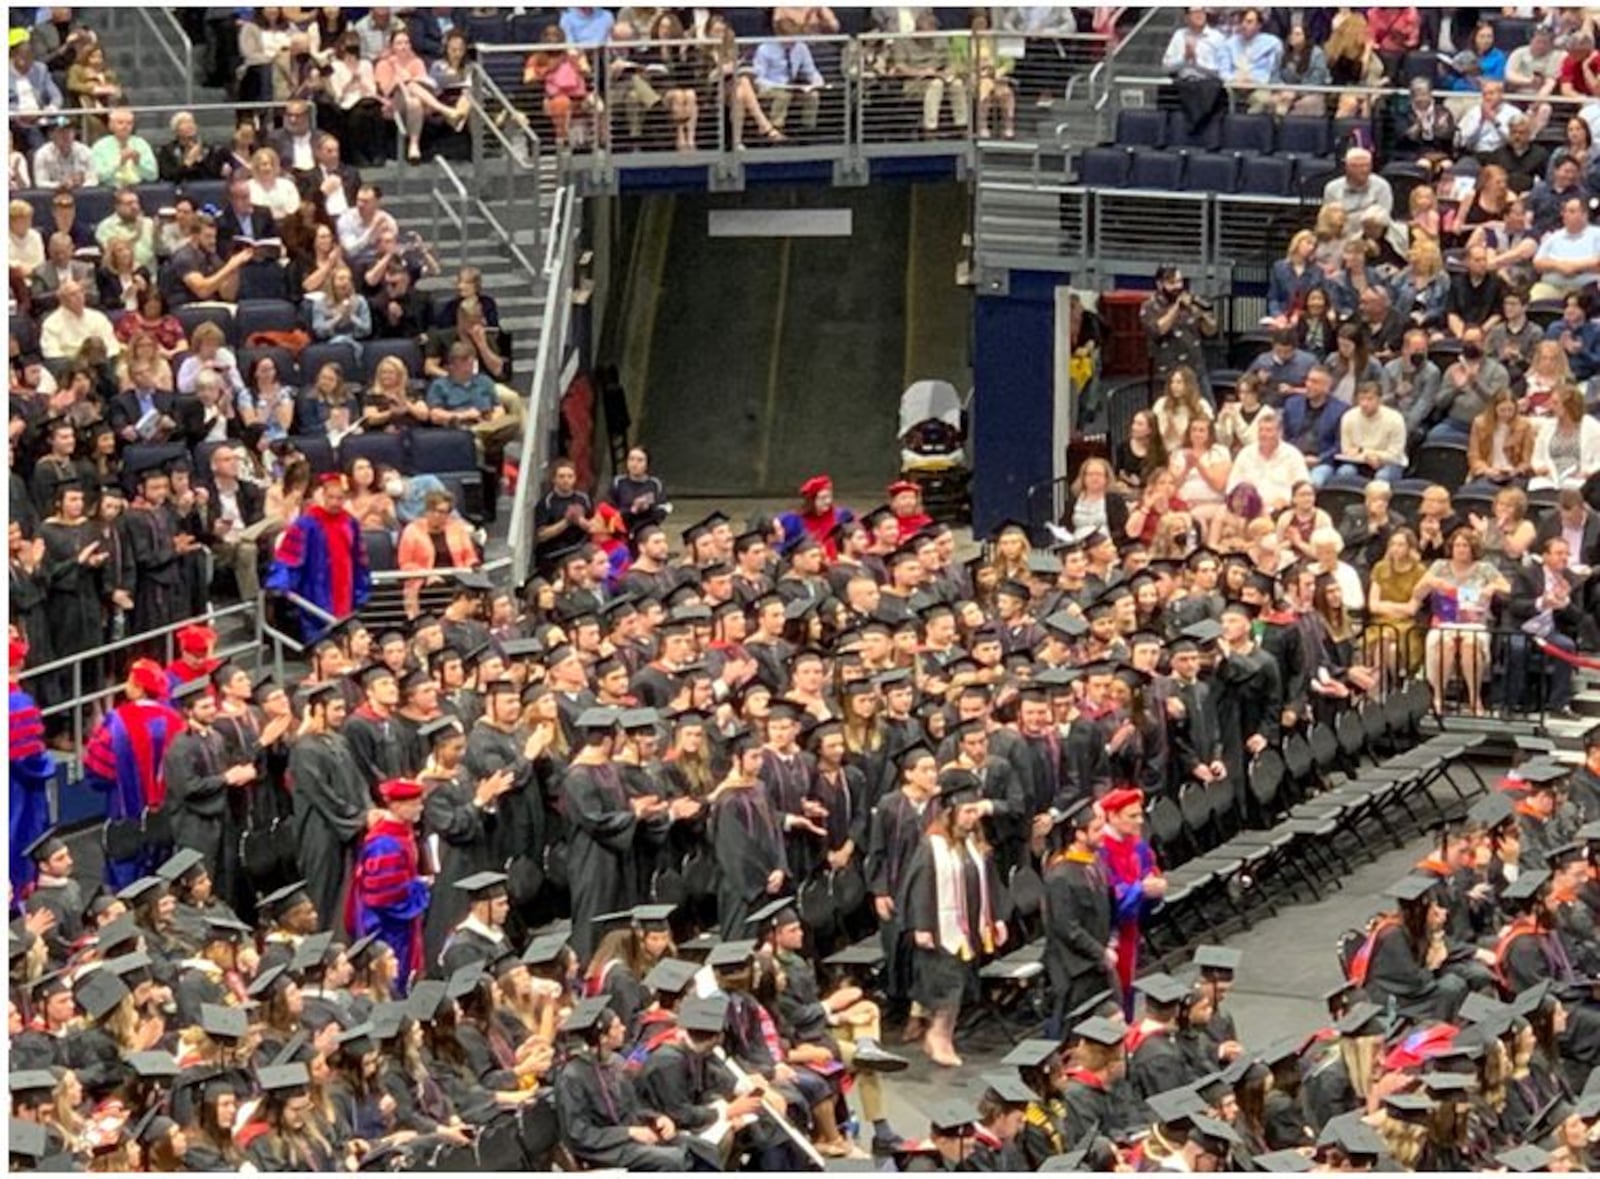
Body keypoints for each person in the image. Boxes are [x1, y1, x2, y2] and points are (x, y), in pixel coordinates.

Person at [901, 773, 1004, 1067]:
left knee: (958, 983)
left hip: (968, 929)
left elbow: (988, 883)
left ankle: (942, 1034)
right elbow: (919, 886)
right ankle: (938, 1036)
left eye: (975, 811)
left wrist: (995, 919)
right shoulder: (932, 846)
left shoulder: (972, 843)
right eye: (968, 811)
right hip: (939, 930)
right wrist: (921, 926)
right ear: (951, 812)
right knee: (949, 985)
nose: (973, 817)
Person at [290, 680, 369, 928]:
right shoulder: (304, 748)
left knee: (344, 891)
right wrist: (356, 816)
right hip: (320, 829)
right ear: (318, 710)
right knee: (322, 893)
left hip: (345, 825)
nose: (342, 713)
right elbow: (320, 794)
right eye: (336, 708)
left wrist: (367, 810)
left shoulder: (338, 740)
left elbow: (358, 782)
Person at [265, 472, 372, 640]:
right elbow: (289, 558)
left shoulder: (350, 523)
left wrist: (361, 589)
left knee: (344, 635)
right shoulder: (306, 524)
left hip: (345, 588)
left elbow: (359, 560)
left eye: (340, 498)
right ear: (323, 496)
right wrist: (280, 581)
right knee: (320, 637)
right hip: (316, 588)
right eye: (331, 497)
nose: (335, 502)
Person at [351, 777, 430, 992]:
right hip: (387, 929)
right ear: (396, 806)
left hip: (400, 927)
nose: (420, 808)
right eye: (414, 804)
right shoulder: (384, 845)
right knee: (391, 981)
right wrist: (420, 888)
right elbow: (384, 897)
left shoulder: (401, 833)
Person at [1097, 787, 1164, 1014]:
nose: (1140, 821)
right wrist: (1140, 890)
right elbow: (1107, 892)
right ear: (1113, 816)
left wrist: (1155, 885)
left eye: (1140, 814)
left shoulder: (1137, 844)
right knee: (1114, 991)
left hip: (1131, 928)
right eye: (1132, 816)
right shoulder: (1101, 849)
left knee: (1128, 984)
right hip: (1107, 933)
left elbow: (1149, 870)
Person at [1505, 537, 1586, 718]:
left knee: (1566, 646)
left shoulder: (1574, 580)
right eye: (1559, 553)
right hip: (1523, 628)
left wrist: (1564, 603)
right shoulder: (1527, 574)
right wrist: (1542, 602)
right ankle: (1511, 703)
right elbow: (1515, 605)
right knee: (1517, 648)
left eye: (1567, 554)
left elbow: (1579, 617)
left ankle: (1560, 704)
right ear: (1545, 556)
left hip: (1549, 631)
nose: (1564, 558)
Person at [1140, 266, 1217, 388]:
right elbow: (1158, 330)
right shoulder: (1150, 306)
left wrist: (1202, 316)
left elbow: (1210, 331)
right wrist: (1177, 308)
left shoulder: (1191, 302)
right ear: (1160, 284)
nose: (1178, 286)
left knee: (1207, 406)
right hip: (1167, 374)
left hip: (1195, 371)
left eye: (1180, 281)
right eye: (1172, 283)